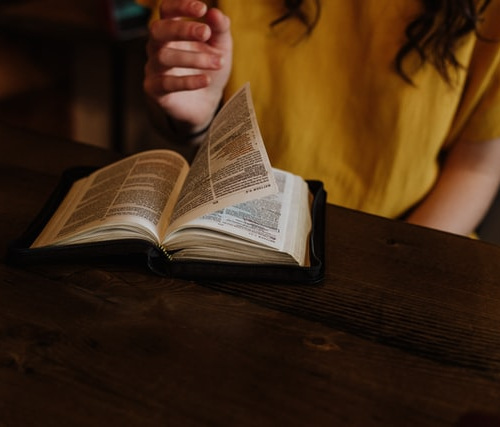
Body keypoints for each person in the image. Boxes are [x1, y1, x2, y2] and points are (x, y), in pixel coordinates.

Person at [139, 0, 500, 237]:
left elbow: (477, 167)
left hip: (410, 238)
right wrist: (193, 117)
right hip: (232, 232)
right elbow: (175, 120)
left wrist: (398, 267)